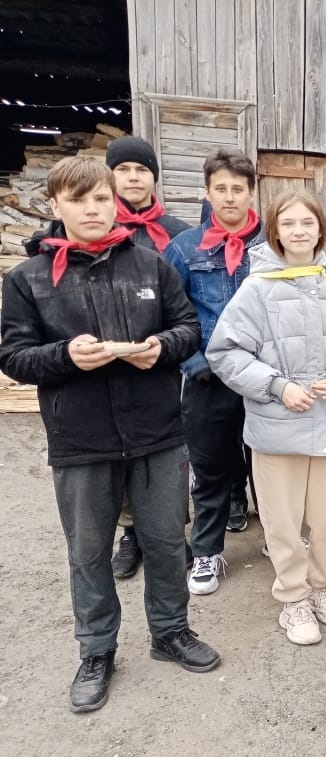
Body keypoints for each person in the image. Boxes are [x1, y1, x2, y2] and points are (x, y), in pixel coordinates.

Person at [0, 156, 220, 713]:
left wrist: (160, 350)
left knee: (168, 541)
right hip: (80, 439)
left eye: (100, 199)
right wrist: (66, 356)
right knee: (89, 550)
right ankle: (96, 650)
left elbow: (188, 329)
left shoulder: (150, 265)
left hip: (158, 431)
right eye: (79, 201)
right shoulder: (26, 280)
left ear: (112, 201)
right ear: (56, 207)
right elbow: (13, 355)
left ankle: (171, 633)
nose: (93, 209)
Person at [206, 190, 326, 645]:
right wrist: (278, 386)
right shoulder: (257, 289)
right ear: (275, 231)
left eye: (308, 223)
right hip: (277, 429)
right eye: (289, 223)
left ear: (321, 229)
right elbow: (224, 352)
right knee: (281, 524)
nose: (299, 231)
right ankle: (293, 598)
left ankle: (320, 585)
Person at [165, 149, 264, 596]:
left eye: (237, 189)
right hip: (207, 379)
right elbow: (169, 314)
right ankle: (207, 550)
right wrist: (194, 363)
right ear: (207, 193)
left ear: (250, 193)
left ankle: (280, 543)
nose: (229, 198)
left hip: (264, 378)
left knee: (269, 462)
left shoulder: (270, 247)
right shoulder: (184, 249)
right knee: (209, 468)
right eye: (220, 189)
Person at [104, 135, 193, 579]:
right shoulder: (92, 229)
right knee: (120, 448)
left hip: (164, 356)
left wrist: (170, 343)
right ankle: (132, 533)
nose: (134, 177)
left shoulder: (175, 232)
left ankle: (172, 531)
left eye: (141, 170)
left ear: (154, 177)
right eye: (124, 170)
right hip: (106, 361)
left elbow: (186, 299)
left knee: (171, 450)